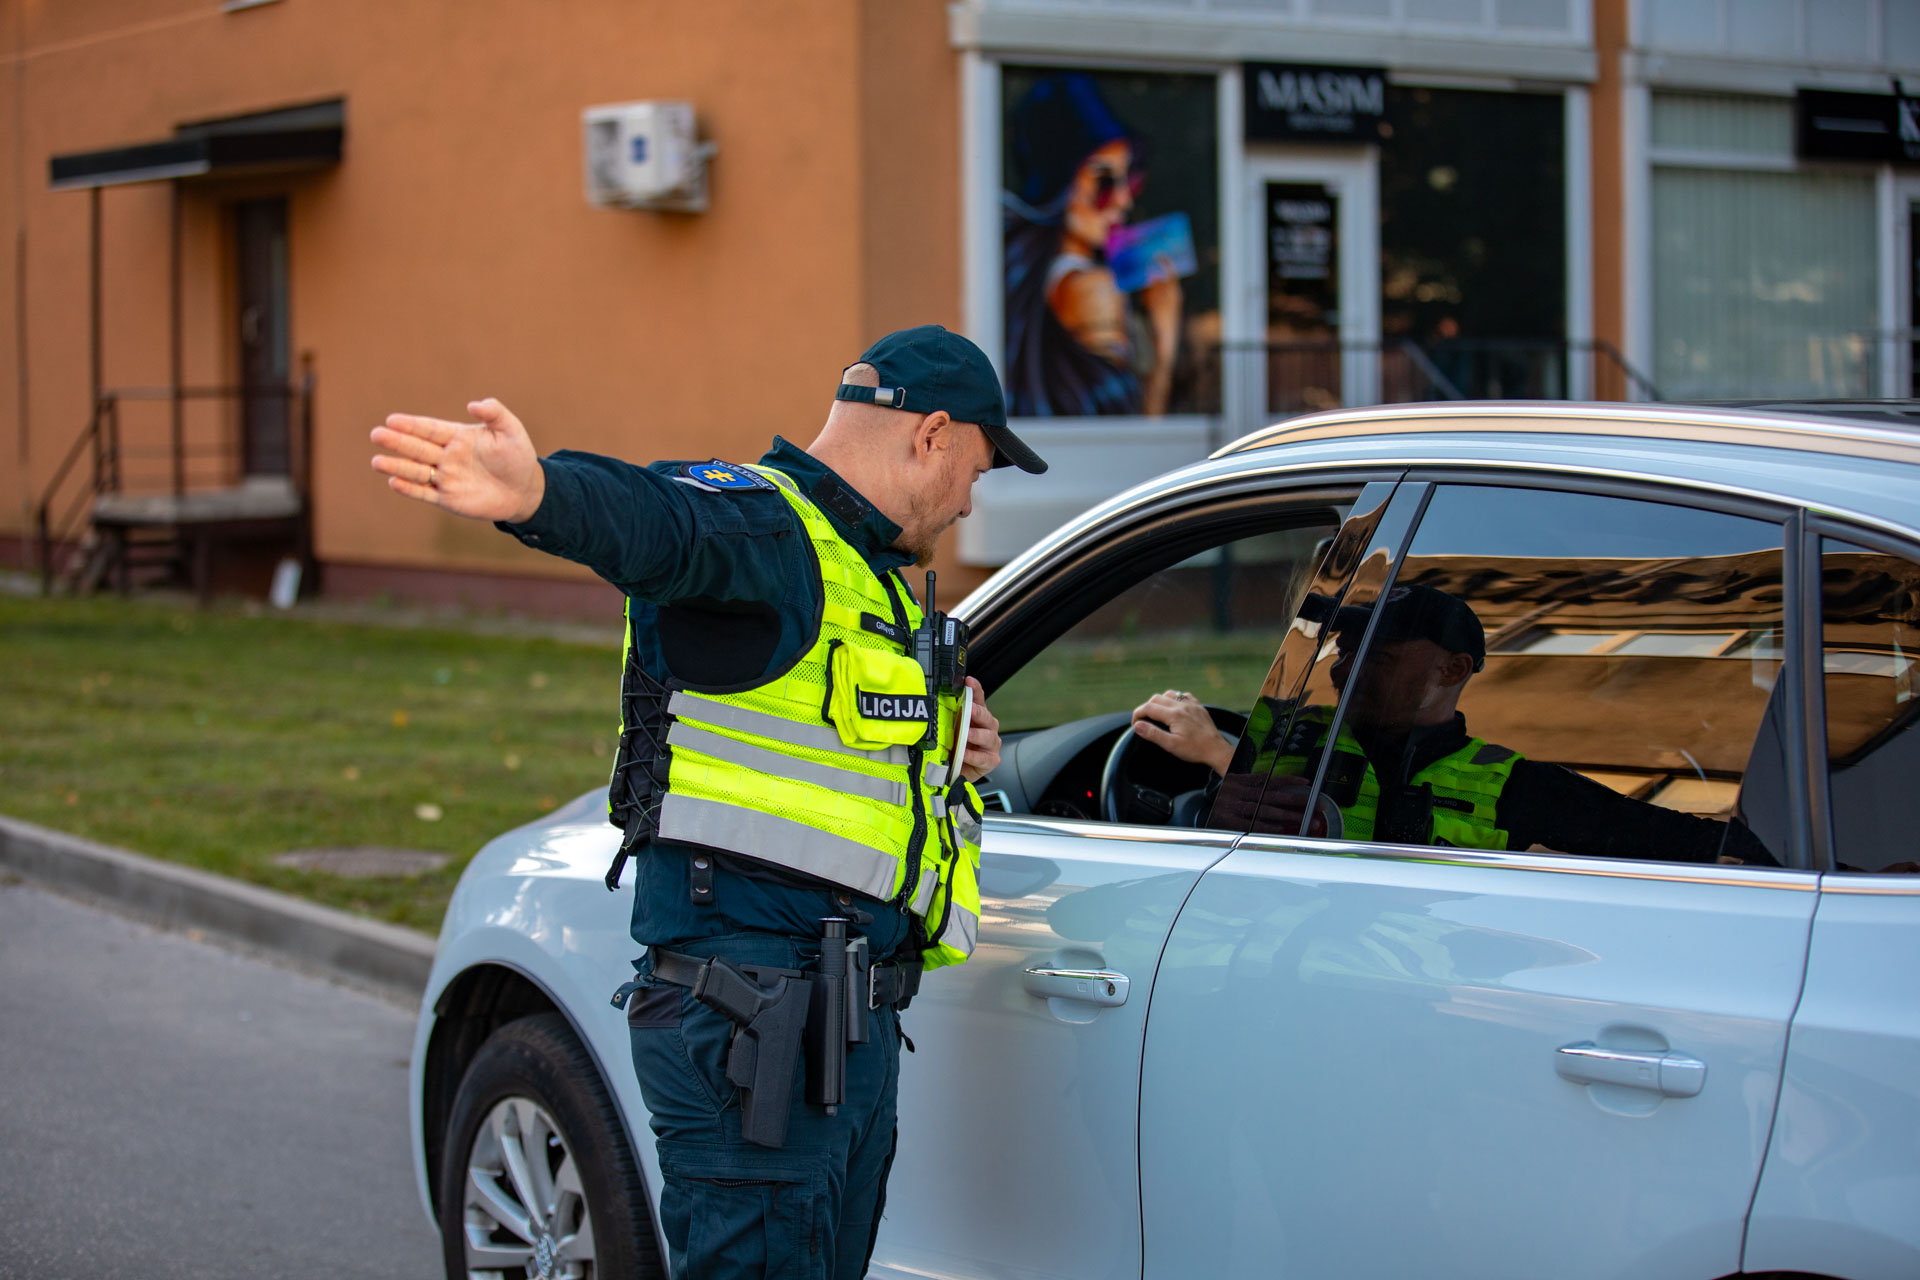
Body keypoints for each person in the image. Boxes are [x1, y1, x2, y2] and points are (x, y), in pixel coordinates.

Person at [370, 325, 1048, 1279]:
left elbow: (839, 776)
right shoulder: (768, 533)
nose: (972, 500)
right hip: (760, 1030)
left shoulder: (868, 582)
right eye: (977, 468)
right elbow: (662, 524)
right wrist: (539, 496)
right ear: (932, 434)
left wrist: (956, 748)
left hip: (833, 1025)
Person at [1131, 583, 1780, 865]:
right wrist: (1213, 746)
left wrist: (1832, 867)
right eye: (1346, 649)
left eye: (1378, 655)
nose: (1345, 668)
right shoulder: (1274, 729)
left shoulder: (1515, 788)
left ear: (1452, 670)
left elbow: (1688, 846)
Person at [1003, 72, 1183, 417]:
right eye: (1103, 181)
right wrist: (1165, 341)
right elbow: (1133, 427)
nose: (1122, 200)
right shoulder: (1095, 290)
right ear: (1061, 182)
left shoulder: (1041, 282)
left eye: (1129, 179)